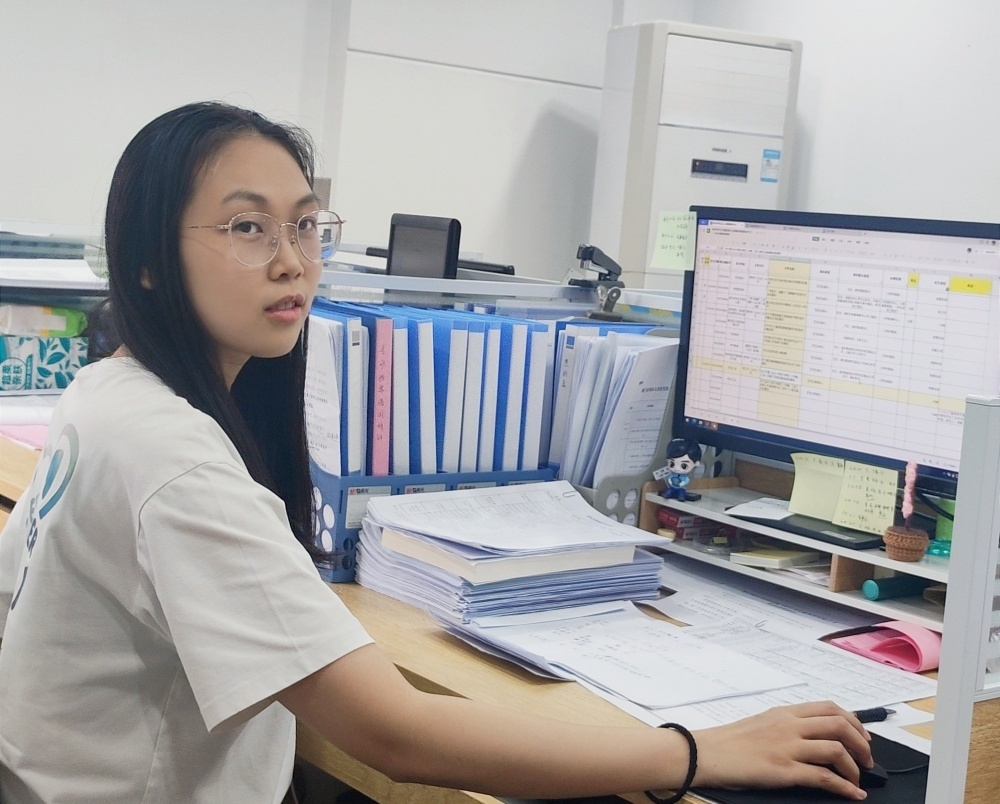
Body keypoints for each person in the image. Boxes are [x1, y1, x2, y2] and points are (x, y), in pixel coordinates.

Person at [0, 102, 874, 803]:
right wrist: (695, 752)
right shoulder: (175, 460)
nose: (292, 262)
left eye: (305, 226)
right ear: (148, 261)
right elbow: (397, 734)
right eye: (247, 228)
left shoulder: (108, 391)